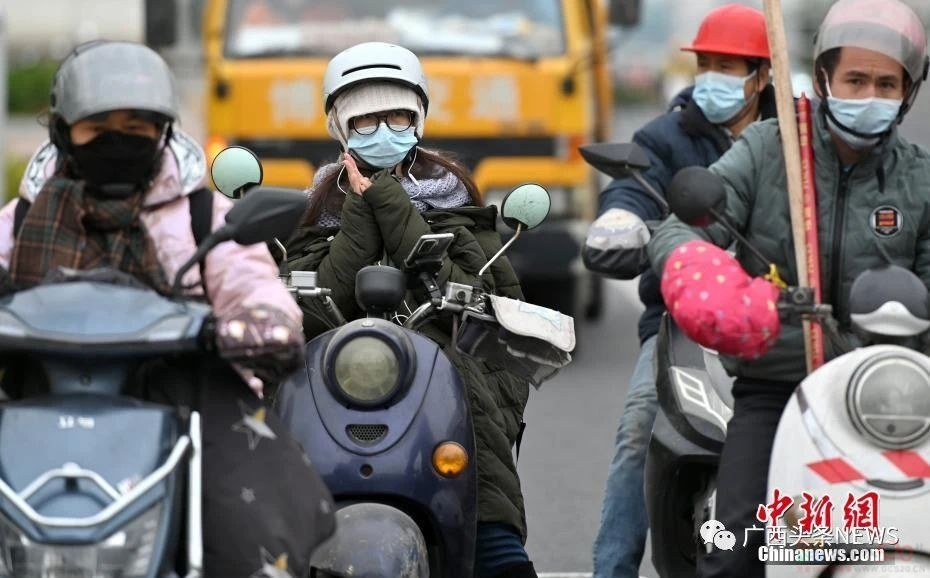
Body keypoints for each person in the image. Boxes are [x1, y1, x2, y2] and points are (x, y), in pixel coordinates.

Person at [0, 40, 335, 577]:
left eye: (137, 127)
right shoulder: (20, 221)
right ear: (64, 132)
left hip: (191, 407)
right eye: (98, 125)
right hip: (34, 402)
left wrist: (252, 326)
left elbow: (260, 295)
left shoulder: (207, 217)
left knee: (260, 529)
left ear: (162, 133)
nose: (118, 139)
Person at [645, 1, 930, 576]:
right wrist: (707, 278)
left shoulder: (919, 178)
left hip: (893, 400)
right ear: (825, 79)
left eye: (885, 83)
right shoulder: (769, 148)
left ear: (907, 92)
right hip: (775, 390)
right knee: (733, 550)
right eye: (855, 79)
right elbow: (681, 225)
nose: (869, 93)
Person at [283, 41, 538, 578]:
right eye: (366, 119)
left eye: (395, 115)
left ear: (418, 119)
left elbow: (493, 303)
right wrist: (358, 207)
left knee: (464, 382)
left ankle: (493, 541)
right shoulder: (314, 212)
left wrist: (388, 201)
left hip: (440, 372)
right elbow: (316, 300)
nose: (383, 130)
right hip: (338, 373)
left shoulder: (458, 207)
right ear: (341, 127)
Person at [583, 5, 774, 577]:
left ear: (762, 75)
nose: (713, 75)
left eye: (729, 65)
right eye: (706, 64)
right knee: (639, 430)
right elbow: (633, 190)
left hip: (783, 320)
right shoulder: (664, 136)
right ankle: (611, 570)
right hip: (684, 324)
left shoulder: (792, 138)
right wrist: (620, 221)